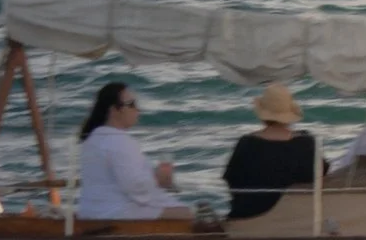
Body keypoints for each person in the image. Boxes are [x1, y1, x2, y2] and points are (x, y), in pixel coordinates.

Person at [75, 80, 192, 224]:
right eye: (131, 105)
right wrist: (158, 179)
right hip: (115, 213)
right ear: (114, 110)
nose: (137, 110)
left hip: (91, 211)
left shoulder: (92, 139)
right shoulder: (119, 141)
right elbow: (134, 186)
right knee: (187, 214)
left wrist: (155, 178)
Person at [221, 83, 319, 222]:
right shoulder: (306, 142)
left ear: (262, 115)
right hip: (294, 218)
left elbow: (230, 178)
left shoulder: (246, 143)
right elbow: (321, 174)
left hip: (246, 215)